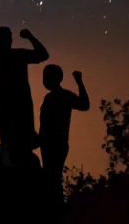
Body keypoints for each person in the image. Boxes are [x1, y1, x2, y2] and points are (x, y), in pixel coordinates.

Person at [0, 27, 49, 153]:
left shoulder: (14, 56)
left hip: (18, 107)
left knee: (20, 146)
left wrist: (31, 37)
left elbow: (43, 55)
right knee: (12, 147)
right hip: (9, 108)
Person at [39, 66, 90, 204]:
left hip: (57, 143)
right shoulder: (48, 98)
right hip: (47, 143)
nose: (45, 79)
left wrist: (79, 82)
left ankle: (58, 208)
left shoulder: (65, 96)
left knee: (53, 177)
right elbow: (44, 124)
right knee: (50, 178)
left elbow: (84, 105)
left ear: (57, 78)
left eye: (48, 76)